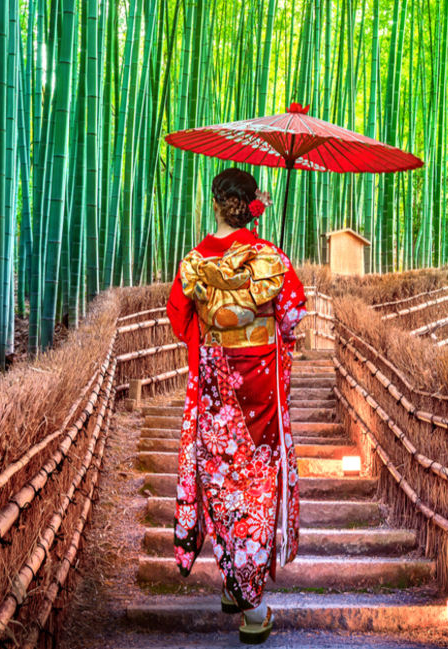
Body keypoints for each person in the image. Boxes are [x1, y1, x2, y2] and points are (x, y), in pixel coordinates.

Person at [165, 167, 307, 645]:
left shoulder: (194, 260)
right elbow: (290, 318)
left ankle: (232, 581)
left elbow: (178, 320)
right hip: (259, 390)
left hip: (214, 390)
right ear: (253, 205)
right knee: (256, 484)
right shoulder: (271, 258)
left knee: (221, 477)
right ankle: (254, 606)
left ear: (214, 201)